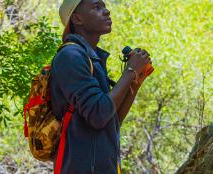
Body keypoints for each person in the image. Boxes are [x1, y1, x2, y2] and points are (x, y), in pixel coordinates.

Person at [50, 0, 151, 173]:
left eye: (104, 6)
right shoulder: (70, 56)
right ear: (77, 19)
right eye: (97, 7)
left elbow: (111, 120)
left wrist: (134, 83)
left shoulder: (93, 59)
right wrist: (130, 70)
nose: (106, 11)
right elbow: (98, 114)